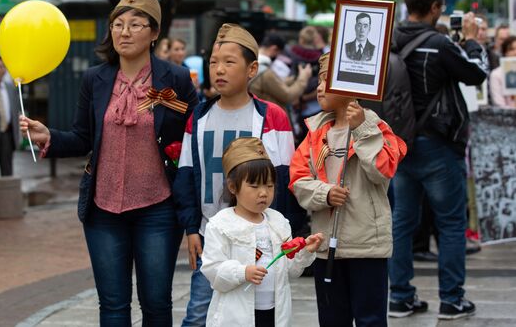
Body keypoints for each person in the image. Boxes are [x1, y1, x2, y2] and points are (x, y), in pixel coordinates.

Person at [19, 0, 199, 326]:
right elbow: (83, 138)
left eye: (135, 24)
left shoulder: (173, 80)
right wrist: (49, 137)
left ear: (155, 33)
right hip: (103, 210)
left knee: (157, 303)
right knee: (113, 306)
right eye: (117, 24)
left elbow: (192, 136)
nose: (124, 32)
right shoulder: (96, 79)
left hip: (158, 208)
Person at [174, 23, 305, 326]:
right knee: (198, 314)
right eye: (214, 63)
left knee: (256, 314)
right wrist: (192, 228)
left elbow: (284, 180)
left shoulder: (271, 116)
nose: (219, 70)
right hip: (212, 236)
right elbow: (186, 174)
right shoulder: (199, 117)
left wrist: (282, 234)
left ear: (252, 69)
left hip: (259, 237)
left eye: (229, 62)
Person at [388, 0, 487, 320]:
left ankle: (399, 297)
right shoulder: (439, 44)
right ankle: (452, 299)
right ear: (434, 7)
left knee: (401, 221)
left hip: (399, 143)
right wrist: (473, 41)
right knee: (449, 223)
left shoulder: (389, 38)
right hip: (438, 145)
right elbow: (476, 73)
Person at [289, 52, 406, 326]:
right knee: (331, 319)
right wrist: (324, 193)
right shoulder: (315, 132)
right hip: (325, 244)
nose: (318, 87)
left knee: (371, 319)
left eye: (326, 80)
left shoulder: (375, 127)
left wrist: (363, 129)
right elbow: (297, 179)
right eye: (318, 80)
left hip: (367, 246)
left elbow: (382, 170)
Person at [201, 136, 323, 327]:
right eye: (255, 186)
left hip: (275, 315)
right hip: (236, 317)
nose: (264, 192)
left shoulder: (278, 221)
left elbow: (290, 271)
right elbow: (213, 270)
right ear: (233, 187)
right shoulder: (220, 225)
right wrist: (243, 272)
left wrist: (305, 251)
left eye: (269, 185)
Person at [249, 34, 312, 110]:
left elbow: (271, 87)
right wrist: (303, 77)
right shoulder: (264, 72)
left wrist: (292, 79)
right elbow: (287, 95)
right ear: (274, 49)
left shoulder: (250, 64)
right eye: (278, 53)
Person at [490, 35, 516, 108]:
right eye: (511, 49)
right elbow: (499, 104)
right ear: (505, 52)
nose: (515, 52)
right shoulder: (496, 74)